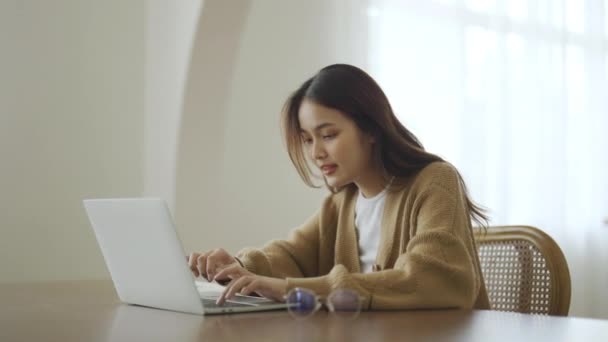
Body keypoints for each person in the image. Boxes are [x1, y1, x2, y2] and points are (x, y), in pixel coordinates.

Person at [188, 64, 490, 310]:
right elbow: (290, 255)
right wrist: (238, 267)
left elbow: (433, 279)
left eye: (328, 135)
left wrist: (291, 289)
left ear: (371, 129)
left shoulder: (435, 181)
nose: (315, 152)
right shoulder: (342, 203)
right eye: (307, 139)